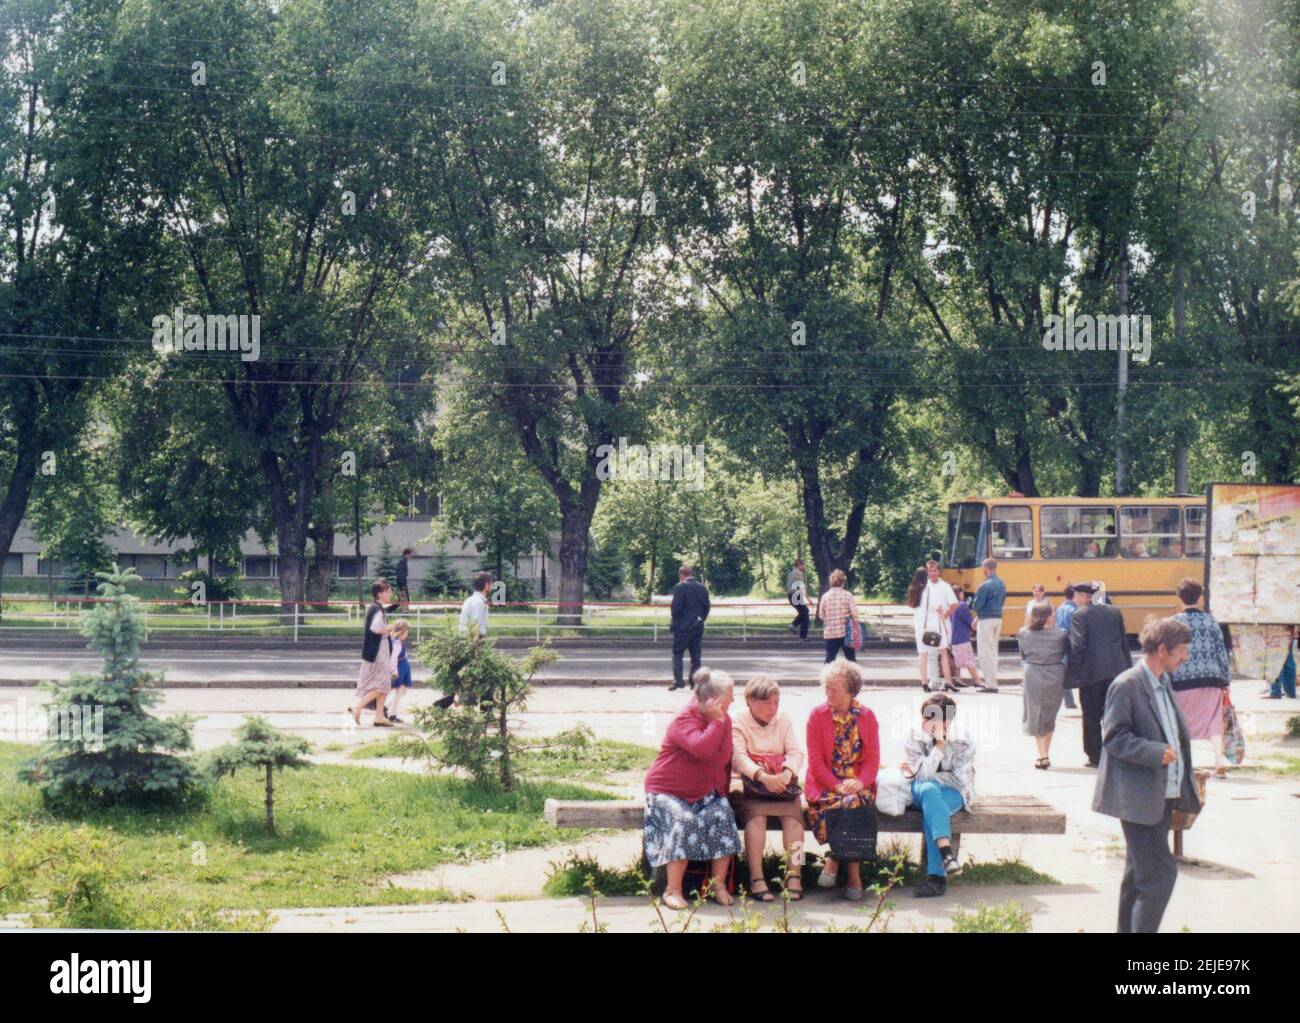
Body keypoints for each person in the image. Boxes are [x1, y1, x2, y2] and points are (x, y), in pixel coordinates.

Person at [1093, 616, 1202, 933]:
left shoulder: (1164, 682)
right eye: (1182, 650)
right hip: (1138, 800)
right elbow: (1114, 738)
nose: (1186, 657)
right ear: (1163, 648)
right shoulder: (1126, 684)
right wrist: (1154, 752)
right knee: (1159, 875)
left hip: (1162, 796)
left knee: (1137, 874)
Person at [643, 668, 742, 909]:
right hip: (666, 791)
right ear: (713, 700)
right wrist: (717, 723)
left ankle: (717, 886)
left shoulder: (723, 719)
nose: (733, 700)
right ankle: (672, 889)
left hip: (702, 791)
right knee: (684, 821)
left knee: (723, 816)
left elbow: (721, 758)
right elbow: (701, 749)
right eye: (729, 696)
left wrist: (719, 722)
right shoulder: (685, 719)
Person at [804, 659, 880, 901]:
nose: (828, 694)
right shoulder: (817, 715)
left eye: (833, 689)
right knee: (850, 805)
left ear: (850, 691)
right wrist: (837, 786)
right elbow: (815, 762)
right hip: (825, 784)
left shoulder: (867, 716)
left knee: (853, 802)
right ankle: (854, 878)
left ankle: (835, 859)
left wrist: (860, 782)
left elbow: (873, 760)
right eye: (825, 688)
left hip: (857, 784)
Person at [731, 677, 806, 901]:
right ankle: (757, 877)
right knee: (757, 821)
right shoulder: (737, 721)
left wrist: (787, 772)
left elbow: (795, 752)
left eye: (776, 702)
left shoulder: (783, 719)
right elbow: (739, 758)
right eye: (766, 703)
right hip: (753, 787)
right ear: (750, 701)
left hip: (782, 785)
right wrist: (762, 777)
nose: (772, 709)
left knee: (795, 823)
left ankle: (796, 874)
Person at [902, 693, 976, 898]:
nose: (925, 722)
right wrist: (939, 748)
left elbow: (961, 779)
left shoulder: (963, 740)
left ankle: (937, 878)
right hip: (920, 789)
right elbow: (922, 776)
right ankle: (946, 859)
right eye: (924, 716)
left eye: (931, 718)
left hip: (953, 792)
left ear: (946, 721)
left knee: (932, 805)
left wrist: (936, 774)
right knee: (928, 791)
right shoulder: (913, 735)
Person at [1170, 578, 1232, 777]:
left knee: (1181, 721)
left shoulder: (1173, 623)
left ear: (1180, 598)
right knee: (1214, 721)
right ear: (1200, 598)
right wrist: (1225, 678)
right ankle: (1218, 761)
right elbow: (1221, 651)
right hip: (1212, 678)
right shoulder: (1211, 621)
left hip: (1182, 680)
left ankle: (1182, 763)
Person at [1067, 582, 1132, 767]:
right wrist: (1128, 668)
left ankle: (1095, 756)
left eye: (1077, 596)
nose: (1075, 600)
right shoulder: (1114, 612)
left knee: (1091, 716)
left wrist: (1072, 670)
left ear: (1087, 597)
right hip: (1116, 672)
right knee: (1114, 715)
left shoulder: (1080, 614)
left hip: (1091, 674)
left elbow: (1078, 645)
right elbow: (1123, 642)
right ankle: (1117, 752)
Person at [1018, 601, 1068, 769]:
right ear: (1047, 617)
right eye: (1053, 614)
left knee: (1035, 713)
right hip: (1056, 673)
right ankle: (1044, 754)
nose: (1055, 617)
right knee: (1050, 714)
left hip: (1033, 673)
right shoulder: (1061, 634)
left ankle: (1043, 755)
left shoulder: (1024, 633)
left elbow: (1023, 654)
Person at [350, 579, 400, 727]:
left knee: (384, 683)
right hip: (378, 652)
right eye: (388, 591)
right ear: (380, 593)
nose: (391, 593)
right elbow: (376, 628)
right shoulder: (378, 609)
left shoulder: (375, 607)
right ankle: (357, 708)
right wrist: (391, 627)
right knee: (381, 684)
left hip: (377, 651)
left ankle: (379, 716)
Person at [909, 561, 957, 691]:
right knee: (943, 652)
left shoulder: (913, 590)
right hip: (935, 625)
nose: (931, 574)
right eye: (928, 572)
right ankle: (947, 681)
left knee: (923, 654)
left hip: (920, 627)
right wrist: (944, 623)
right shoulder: (928, 590)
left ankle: (925, 681)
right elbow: (938, 608)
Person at [668, 565, 710, 690]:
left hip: (682, 627)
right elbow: (707, 606)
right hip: (697, 626)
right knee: (696, 657)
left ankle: (678, 681)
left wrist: (676, 619)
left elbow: (676, 608)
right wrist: (701, 619)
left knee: (677, 653)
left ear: (681, 575)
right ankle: (694, 682)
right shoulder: (702, 587)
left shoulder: (680, 587)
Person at [970, 557, 1005, 692]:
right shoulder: (1001, 583)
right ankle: (993, 680)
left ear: (985, 568)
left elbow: (977, 605)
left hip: (986, 620)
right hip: (998, 619)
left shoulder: (984, 585)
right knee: (993, 652)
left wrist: (976, 608)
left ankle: (990, 684)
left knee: (985, 653)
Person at [815, 568, 861, 664]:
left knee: (830, 658)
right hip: (846, 632)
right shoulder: (848, 595)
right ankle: (853, 678)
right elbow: (855, 614)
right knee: (851, 659)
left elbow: (821, 616)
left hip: (830, 632)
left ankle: (827, 678)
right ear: (843, 582)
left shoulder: (825, 596)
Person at [947, 584, 982, 688]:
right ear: (958, 594)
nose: (963, 594)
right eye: (962, 592)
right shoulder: (962, 605)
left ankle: (958, 679)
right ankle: (977, 680)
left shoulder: (950, 605)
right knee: (969, 660)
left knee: (956, 660)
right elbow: (970, 622)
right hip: (962, 638)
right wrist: (977, 623)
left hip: (952, 638)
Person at [1054, 584, 1078, 709]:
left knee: (1064, 673)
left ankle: (1069, 701)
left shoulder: (1059, 609)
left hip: (1060, 641)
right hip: (1071, 641)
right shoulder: (1075, 610)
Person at [385, 618, 413, 723]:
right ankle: (391, 713)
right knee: (399, 692)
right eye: (407, 631)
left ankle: (387, 708)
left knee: (401, 691)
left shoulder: (398, 641)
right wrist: (394, 671)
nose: (407, 634)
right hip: (399, 669)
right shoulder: (396, 643)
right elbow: (393, 659)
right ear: (402, 631)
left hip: (403, 668)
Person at [1265, 626, 1296, 699]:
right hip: (1289, 624)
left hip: (1277, 625)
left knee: (1276, 657)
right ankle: (1290, 691)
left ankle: (1275, 691)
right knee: (1288, 657)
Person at [458, 571, 492, 638]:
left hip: (467, 638)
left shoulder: (471, 600)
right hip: (472, 640)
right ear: (486, 585)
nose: (492, 586)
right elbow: (475, 625)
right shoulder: (478, 602)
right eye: (491, 584)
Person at [786, 559, 810, 641]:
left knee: (803, 612)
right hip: (795, 595)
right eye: (804, 565)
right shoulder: (799, 573)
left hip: (790, 595)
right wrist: (808, 599)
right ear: (799, 565)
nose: (805, 567)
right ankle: (802, 636)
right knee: (805, 613)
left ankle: (794, 625)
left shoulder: (791, 573)